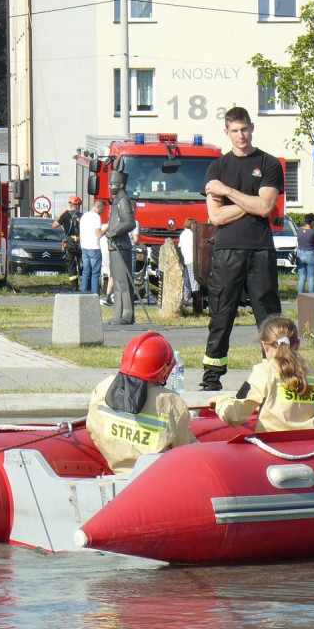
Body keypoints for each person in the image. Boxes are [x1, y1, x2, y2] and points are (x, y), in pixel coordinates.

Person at [201, 106, 283, 391]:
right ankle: (211, 379)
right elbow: (216, 217)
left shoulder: (269, 164)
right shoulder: (217, 168)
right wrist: (251, 204)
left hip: (260, 250)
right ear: (227, 133)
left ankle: (276, 376)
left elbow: (266, 207)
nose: (240, 135)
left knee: (269, 317)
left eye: (244, 129)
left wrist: (227, 192)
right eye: (234, 131)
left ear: (252, 127)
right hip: (227, 251)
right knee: (221, 316)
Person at [85, 331, 196, 475]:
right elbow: (183, 451)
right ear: (161, 369)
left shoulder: (103, 389)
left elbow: (92, 428)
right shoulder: (171, 403)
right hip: (154, 481)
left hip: (114, 472)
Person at [213, 316, 314, 433]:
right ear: (297, 344)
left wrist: (221, 401)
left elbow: (235, 414)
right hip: (312, 443)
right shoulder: (311, 371)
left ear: (265, 346)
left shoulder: (263, 371)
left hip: (274, 444)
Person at [106, 170, 136, 324]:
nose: (110, 187)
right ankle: (117, 315)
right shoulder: (117, 200)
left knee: (123, 282)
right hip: (114, 246)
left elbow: (130, 223)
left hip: (121, 245)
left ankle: (127, 314)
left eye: (113, 184)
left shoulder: (123, 200)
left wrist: (114, 232)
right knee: (117, 282)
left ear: (121, 185)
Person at [54, 195, 83, 292]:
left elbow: (55, 225)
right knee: (82, 265)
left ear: (70, 205)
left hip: (69, 243)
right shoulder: (82, 216)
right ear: (78, 205)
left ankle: (74, 288)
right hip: (80, 243)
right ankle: (84, 286)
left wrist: (62, 215)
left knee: (71, 266)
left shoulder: (65, 215)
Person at [80, 199, 106, 294]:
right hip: (94, 247)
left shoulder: (84, 216)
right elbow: (99, 234)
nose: (102, 212)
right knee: (95, 273)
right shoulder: (96, 217)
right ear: (98, 207)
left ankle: (84, 292)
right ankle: (95, 295)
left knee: (86, 271)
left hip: (84, 247)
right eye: (102, 209)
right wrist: (107, 227)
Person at [179, 217, 204, 315]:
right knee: (195, 284)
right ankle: (197, 309)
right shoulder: (193, 235)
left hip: (186, 260)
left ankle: (184, 303)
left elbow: (180, 246)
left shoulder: (182, 234)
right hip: (193, 261)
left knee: (187, 284)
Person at [296, 213, 314, 295]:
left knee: (302, 277)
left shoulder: (299, 230)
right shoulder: (313, 233)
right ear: (312, 222)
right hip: (310, 254)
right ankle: (311, 296)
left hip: (300, 253)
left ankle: (300, 295)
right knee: (311, 277)